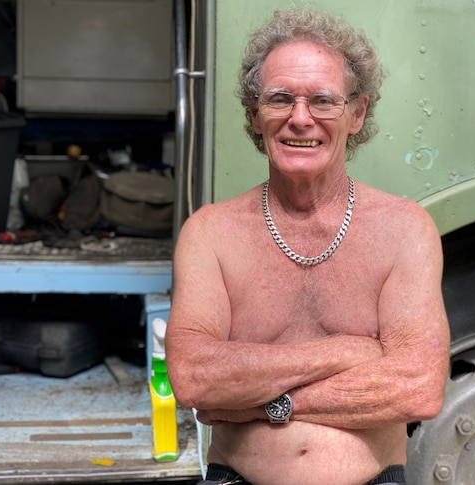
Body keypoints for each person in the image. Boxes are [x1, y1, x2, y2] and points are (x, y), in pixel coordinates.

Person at [165, 7, 450, 485]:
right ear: (255, 115)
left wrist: (263, 401)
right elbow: (194, 378)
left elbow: (419, 387)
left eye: (323, 101)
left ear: (356, 113)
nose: (301, 119)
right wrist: (351, 352)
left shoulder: (405, 229)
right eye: (279, 99)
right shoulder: (209, 233)